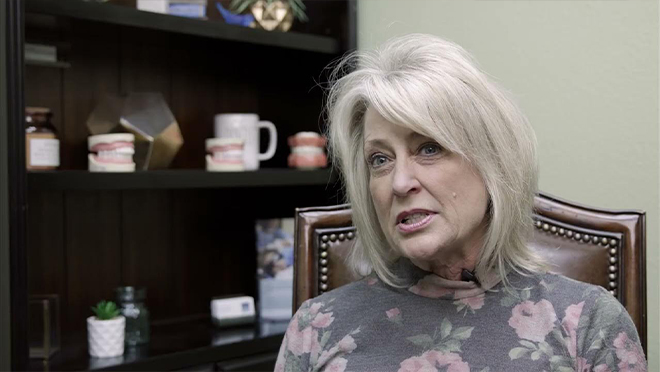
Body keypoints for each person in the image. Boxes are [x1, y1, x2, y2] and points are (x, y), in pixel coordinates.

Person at [274, 34, 646, 372]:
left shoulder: (586, 323)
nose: (400, 182)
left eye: (429, 148)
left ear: (492, 163)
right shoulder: (316, 327)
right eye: (380, 160)